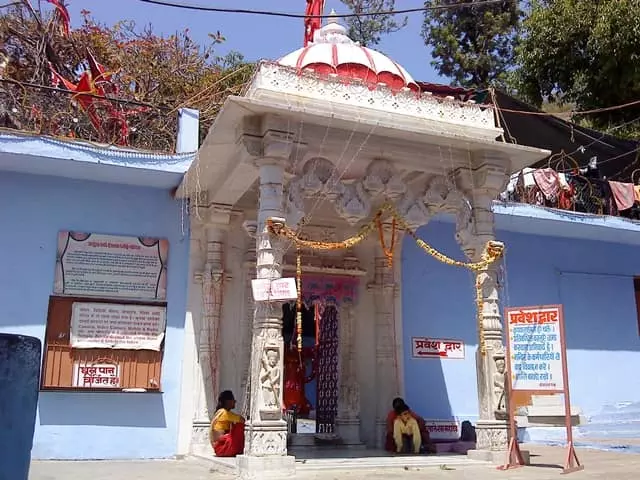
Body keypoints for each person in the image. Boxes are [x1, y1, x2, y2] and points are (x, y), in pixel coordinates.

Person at [210, 390, 245, 457]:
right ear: (228, 401)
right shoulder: (224, 413)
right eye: (233, 400)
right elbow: (242, 420)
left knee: (235, 425)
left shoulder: (220, 412)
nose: (235, 402)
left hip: (219, 448)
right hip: (221, 447)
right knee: (239, 426)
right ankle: (239, 449)